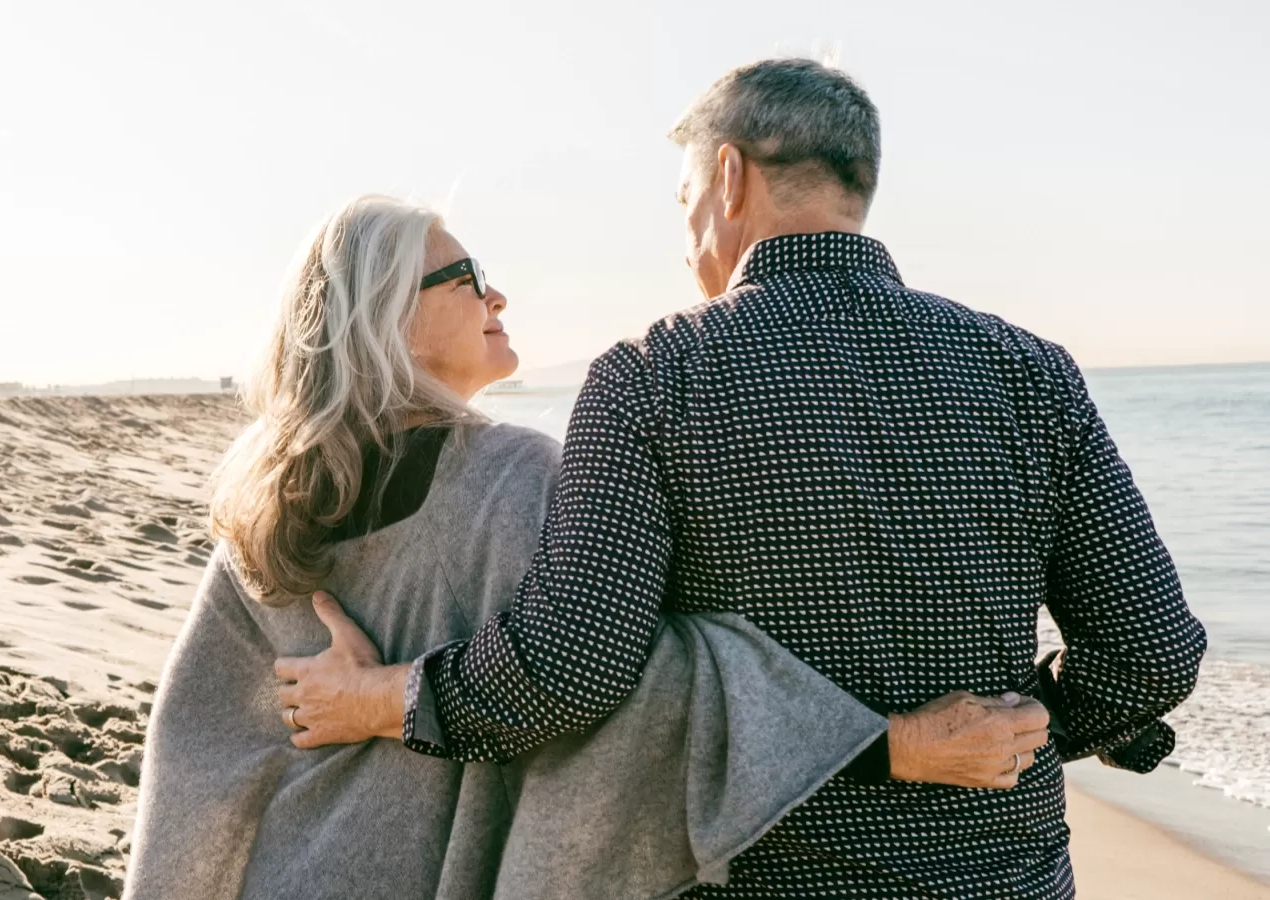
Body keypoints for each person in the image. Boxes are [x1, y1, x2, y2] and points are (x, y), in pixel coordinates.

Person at [278, 58, 1207, 897]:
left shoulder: (654, 375)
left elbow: (573, 668)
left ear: (727, 178)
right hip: (1005, 876)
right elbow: (1153, 653)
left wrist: (383, 698)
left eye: (684, 199)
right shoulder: (1028, 368)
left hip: (756, 875)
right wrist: (1028, 726)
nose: (687, 241)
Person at [125, 195, 1048, 899]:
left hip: (293, 870)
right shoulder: (519, 479)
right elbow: (639, 681)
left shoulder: (266, 500)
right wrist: (889, 745)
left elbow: (197, 750)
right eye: (465, 276)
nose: (498, 294)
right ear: (386, 313)